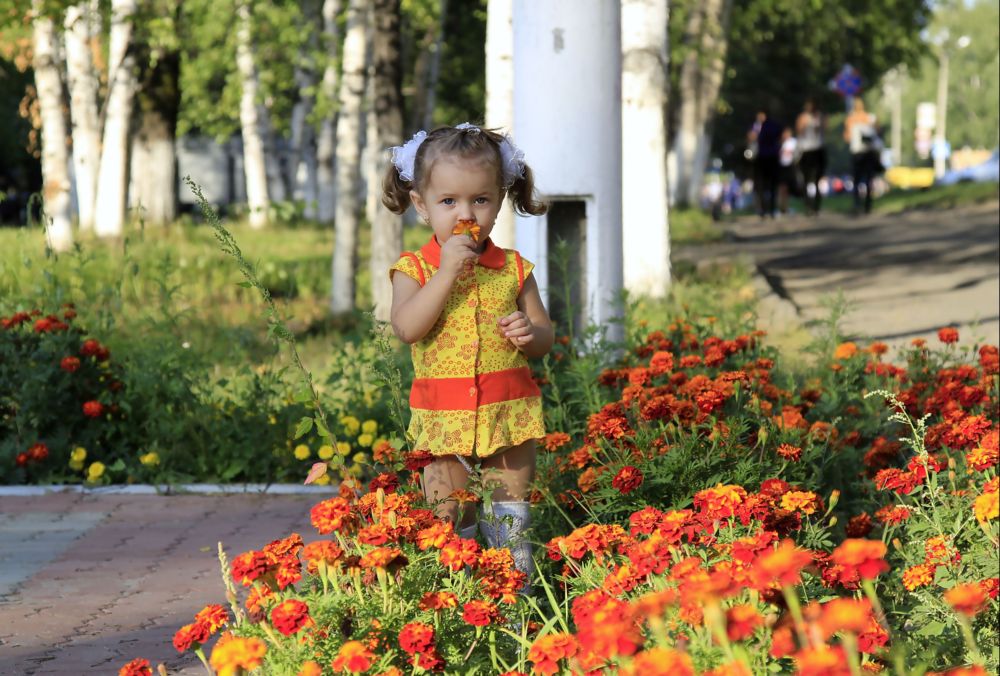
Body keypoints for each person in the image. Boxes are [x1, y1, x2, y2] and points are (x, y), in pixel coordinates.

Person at [383, 123, 552, 587]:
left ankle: (515, 619)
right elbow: (407, 327)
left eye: (480, 200)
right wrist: (446, 273)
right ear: (420, 204)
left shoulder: (515, 269)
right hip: (443, 423)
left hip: (508, 416)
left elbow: (544, 336)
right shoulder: (414, 269)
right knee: (449, 529)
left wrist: (528, 333)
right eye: (448, 202)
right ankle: (458, 616)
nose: (467, 214)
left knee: (510, 529)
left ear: (500, 199)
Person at [843, 98, 881, 215]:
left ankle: (857, 204)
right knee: (869, 179)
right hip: (869, 152)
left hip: (857, 152)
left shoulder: (850, 119)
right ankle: (867, 205)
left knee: (857, 179)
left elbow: (847, 137)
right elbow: (877, 133)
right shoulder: (870, 118)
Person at [747, 108, 782, 218]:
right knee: (763, 185)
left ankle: (769, 209)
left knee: (768, 184)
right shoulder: (757, 126)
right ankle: (764, 209)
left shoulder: (768, 126)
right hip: (763, 157)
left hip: (767, 157)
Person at [796, 99, 826, 215]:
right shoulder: (802, 118)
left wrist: (819, 124)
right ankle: (808, 204)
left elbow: (824, 131)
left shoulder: (820, 117)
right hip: (806, 150)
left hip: (818, 149)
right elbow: (799, 132)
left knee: (818, 179)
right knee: (805, 179)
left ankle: (816, 205)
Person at [777, 127, 798, 215]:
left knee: (788, 188)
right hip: (781, 167)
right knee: (782, 188)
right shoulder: (780, 143)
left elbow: (794, 153)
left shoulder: (793, 142)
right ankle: (782, 208)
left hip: (790, 166)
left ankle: (786, 207)